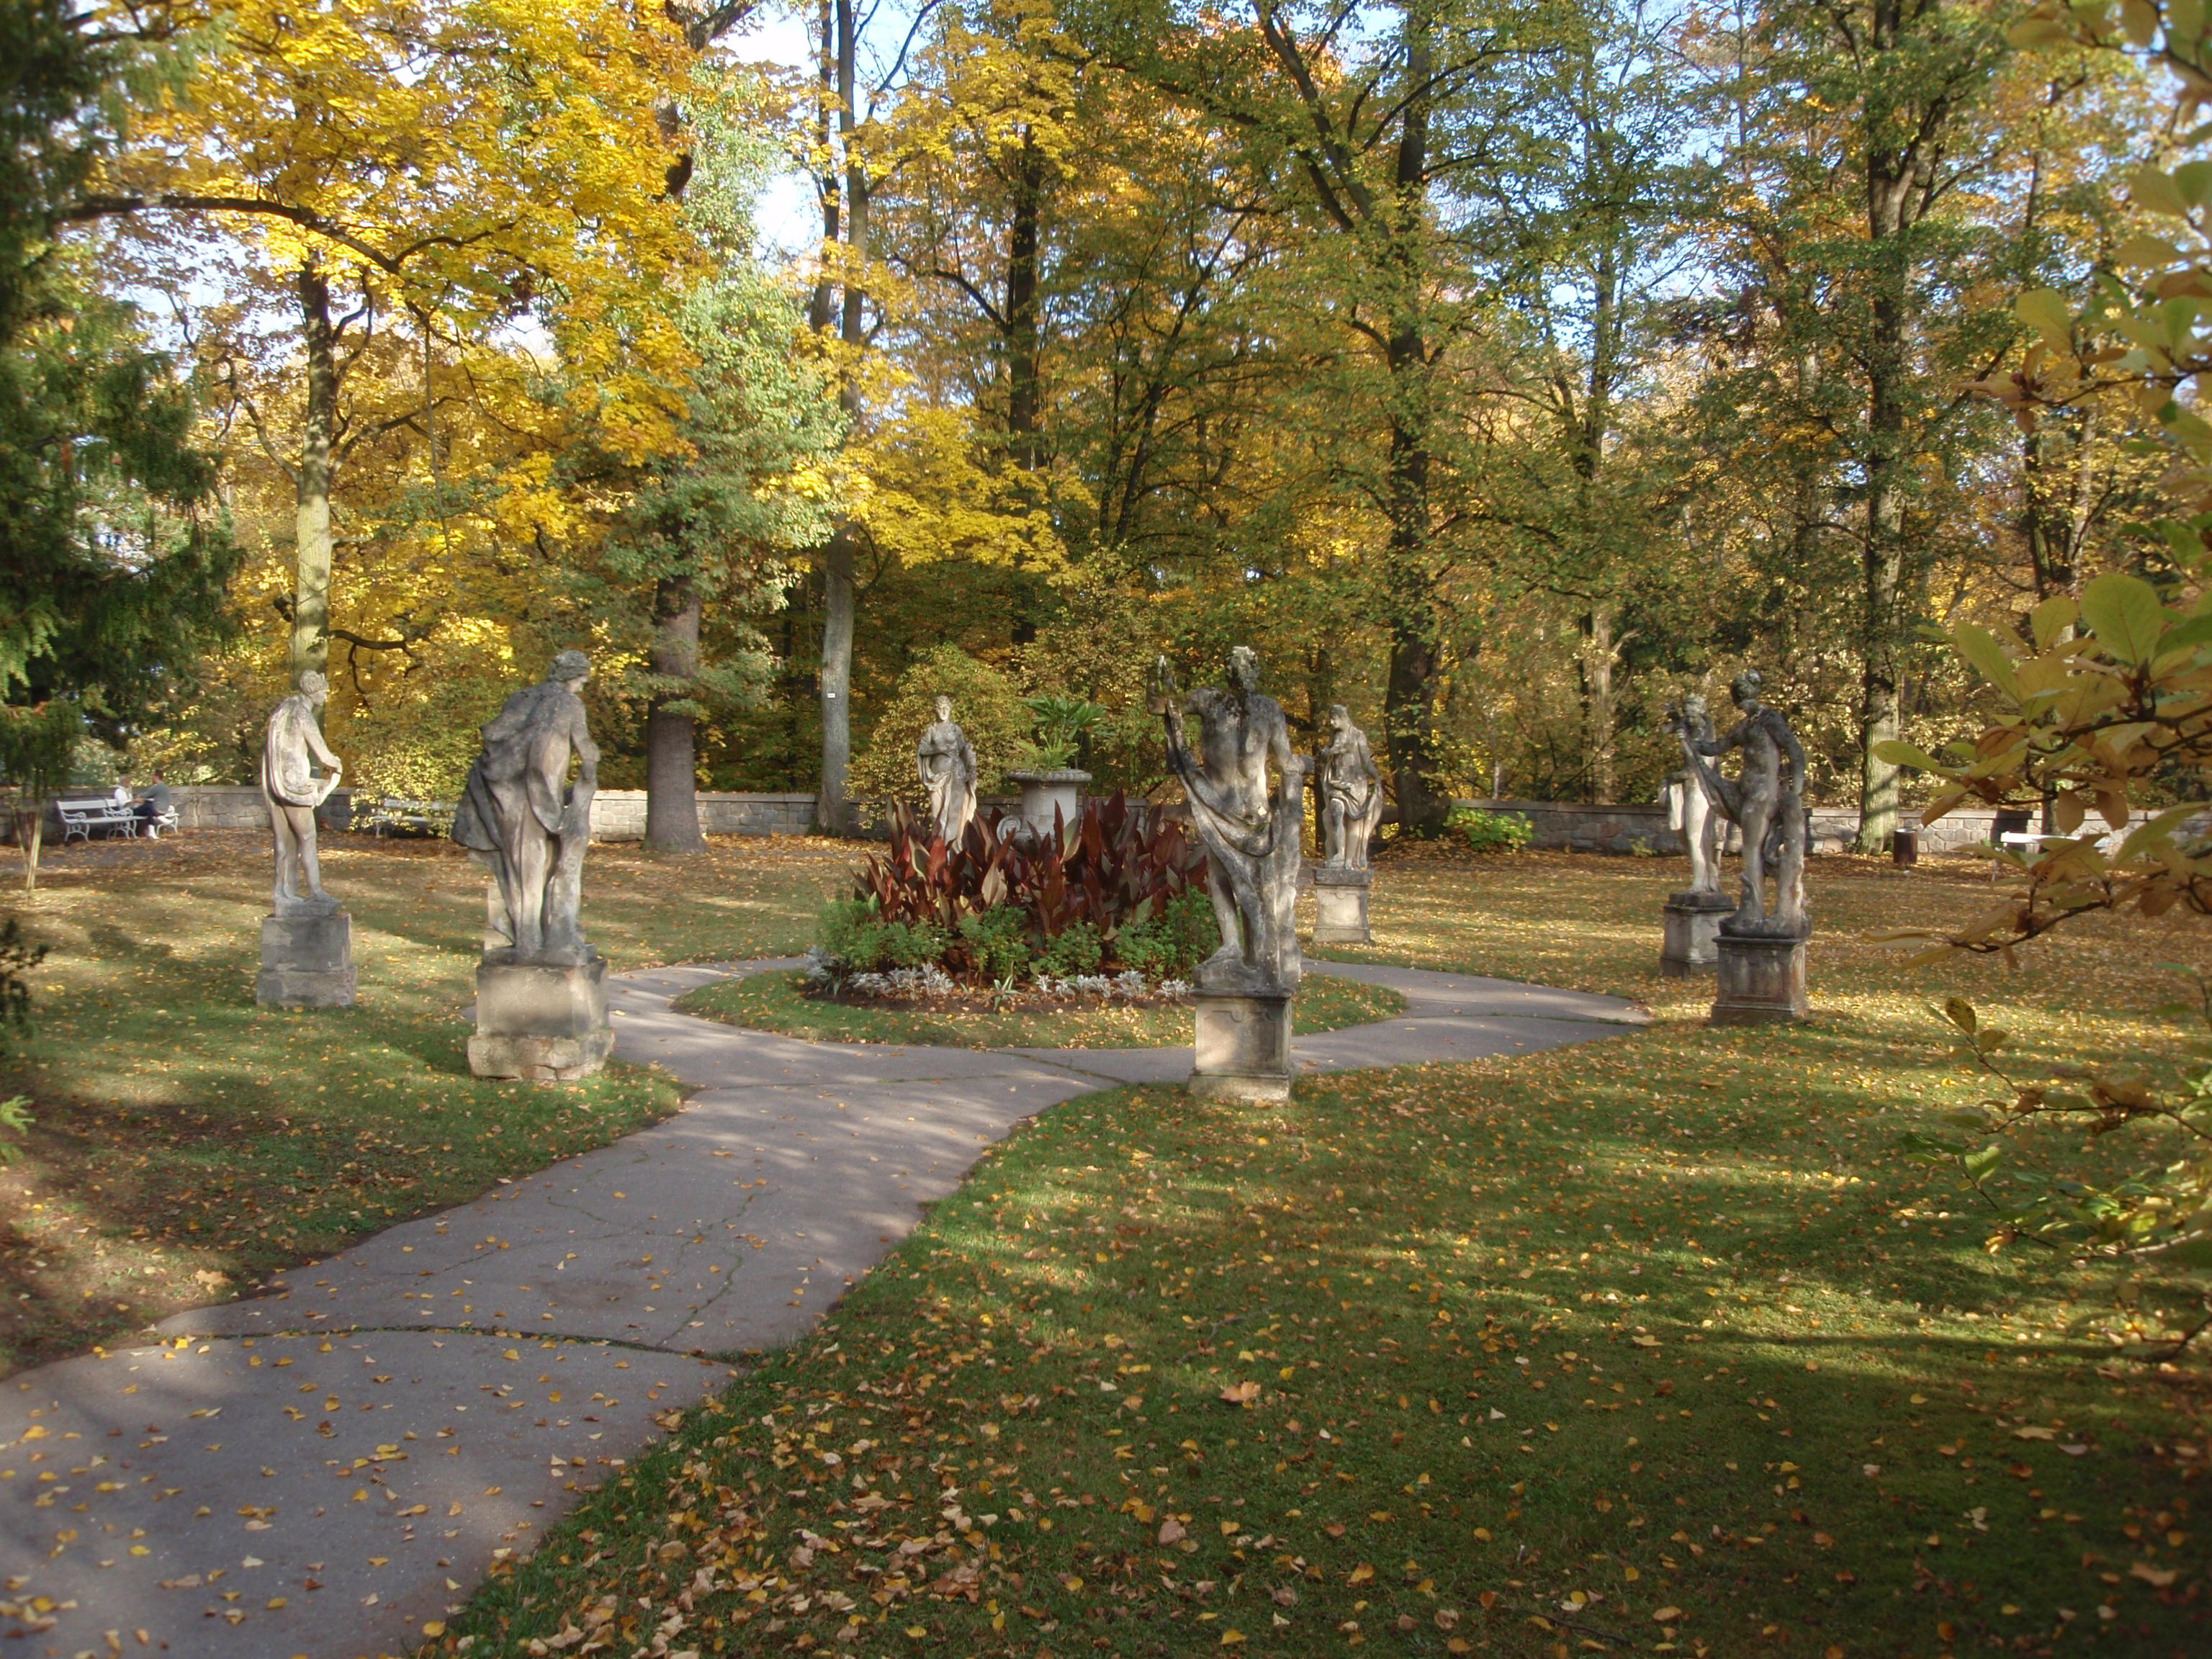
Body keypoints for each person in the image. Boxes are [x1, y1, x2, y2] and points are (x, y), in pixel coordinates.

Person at [1151, 646, 1305, 992]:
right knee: (1218, 876)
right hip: (1217, 806)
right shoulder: (1211, 701)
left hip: (1255, 813)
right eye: (1232, 666)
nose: (1238, 672)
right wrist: (1160, 677)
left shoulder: (1268, 709)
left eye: (1244, 665)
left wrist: (1292, 798)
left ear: (1254, 668)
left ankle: (1260, 959)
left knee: (1256, 888)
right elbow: (1162, 705)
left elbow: (1285, 761)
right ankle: (1231, 946)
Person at [452, 650, 600, 964]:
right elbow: (586, 750)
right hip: (540, 794)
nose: (583, 687)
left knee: (517, 865)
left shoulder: (522, 698)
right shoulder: (569, 704)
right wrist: (587, 777)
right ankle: (542, 939)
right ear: (573, 676)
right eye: (582, 680)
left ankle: (527, 938)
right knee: (542, 863)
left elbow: (493, 732)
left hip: (507, 791)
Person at [261, 673, 344, 909]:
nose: (326, 695)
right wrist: (337, 764)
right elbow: (323, 753)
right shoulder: (303, 714)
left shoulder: (285, 708)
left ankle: (282, 892)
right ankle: (315, 891)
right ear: (312, 690)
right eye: (324, 691)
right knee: (307, 838)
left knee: (284, 841)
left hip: (275, 782)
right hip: (294, 786)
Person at [915, 694, 978, 843]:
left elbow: (964, 750)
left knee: (954, 814)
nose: (943, 711)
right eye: (940, 708)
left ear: (950, 709)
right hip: (936, 777)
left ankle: (953, 849)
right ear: (935, 710)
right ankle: (939, 848)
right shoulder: (932, 730)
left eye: (946, 708)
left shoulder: (956, 730)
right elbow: (922, 749)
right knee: (936, 813)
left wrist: (972, 768)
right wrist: (939, 749)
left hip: (957, 773)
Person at [136, 771, 172, 839]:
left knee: (149, 807)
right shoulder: (166, 787)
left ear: (157, 777)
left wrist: (138, 797)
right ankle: (152, 833)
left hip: (157, 810)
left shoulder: (157, 787)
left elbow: (145, 795)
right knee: (149, 809)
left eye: (153, 776)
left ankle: (151, 831)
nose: (151, 778)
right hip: (164, 810)